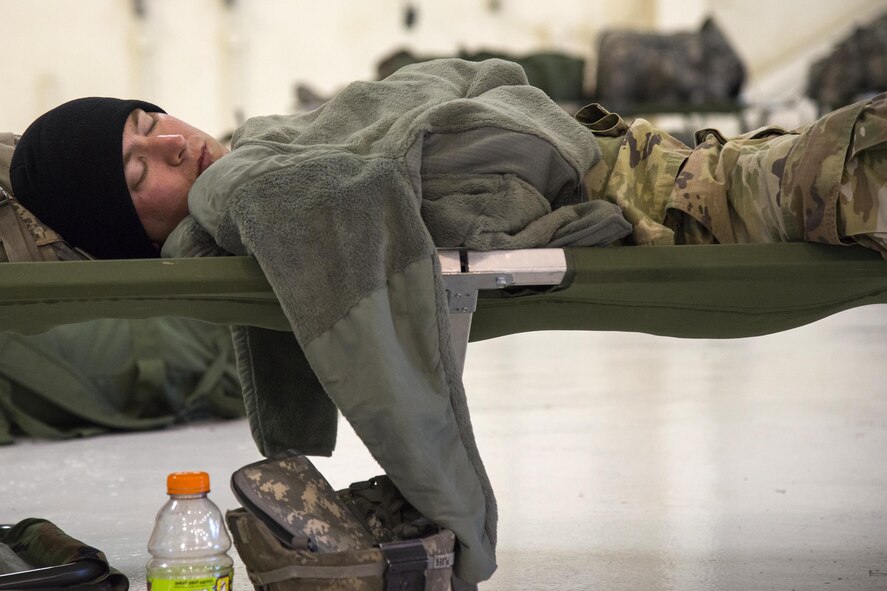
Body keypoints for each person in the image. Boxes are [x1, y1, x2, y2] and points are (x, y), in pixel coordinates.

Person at [6, 58, 887, 585]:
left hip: (663, 156)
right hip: (670, 194)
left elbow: (443, 91)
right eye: (134, 172)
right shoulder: (247, 189)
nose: (169, 142)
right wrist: (453, 514)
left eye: (147, 119)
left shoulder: (257, 144)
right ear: (129, 225)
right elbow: (360, 268)